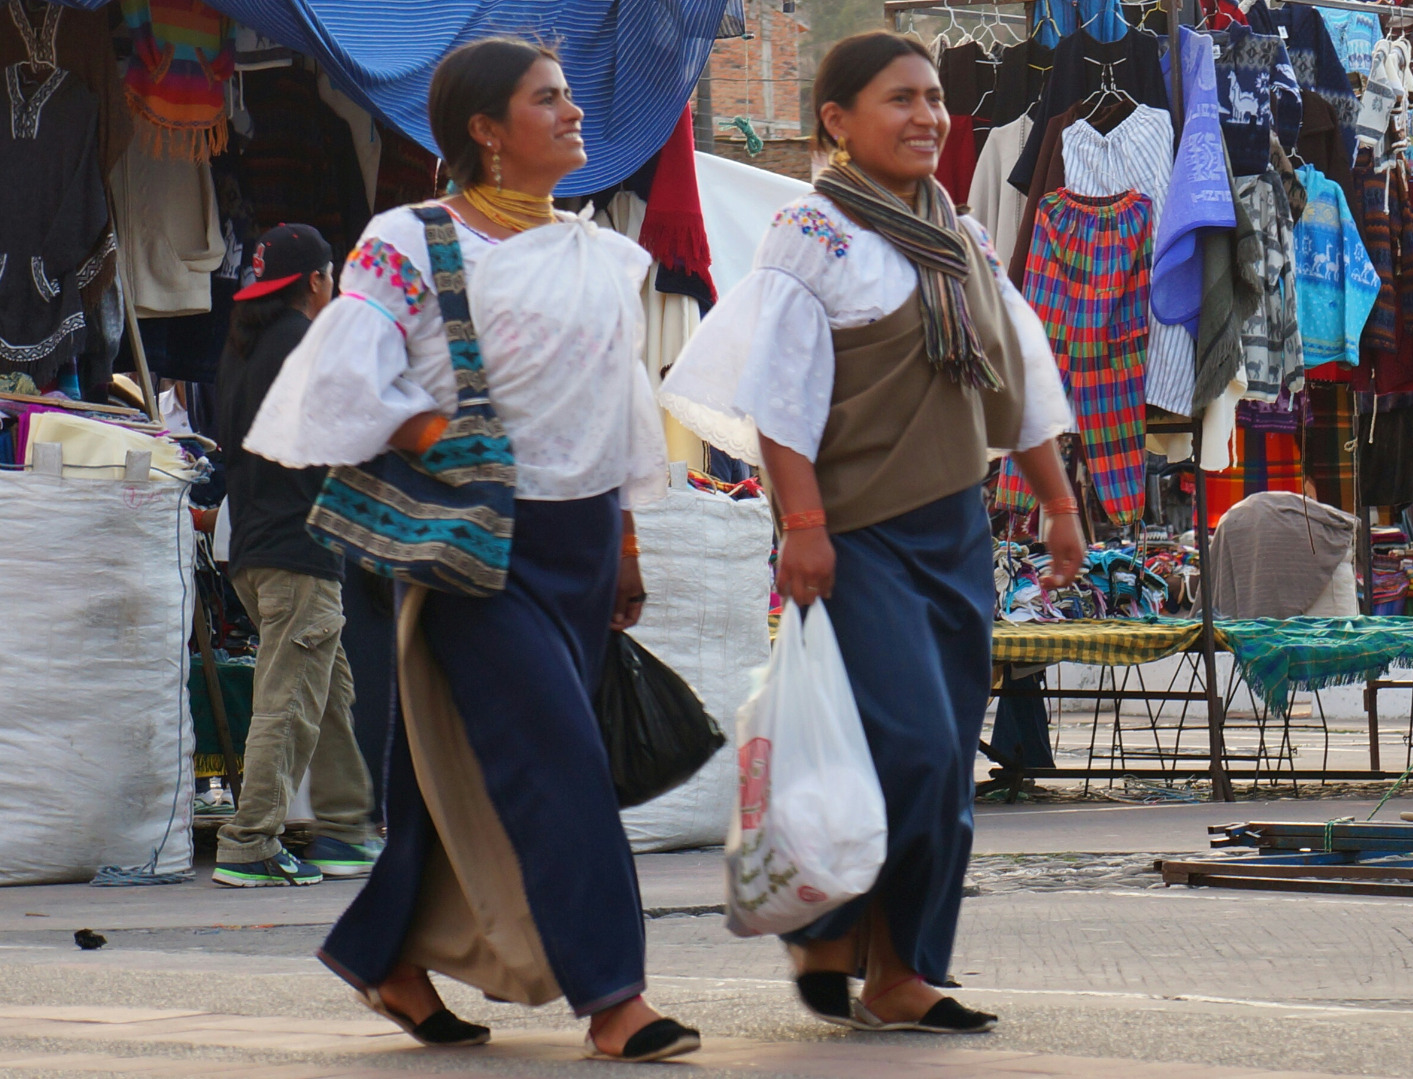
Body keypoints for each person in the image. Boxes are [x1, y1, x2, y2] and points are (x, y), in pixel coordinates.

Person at [241, 38, 697, 1063]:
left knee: (480, 768)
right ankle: (616, 999)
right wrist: (438, 436)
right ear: (486, 130)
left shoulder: (598, 252)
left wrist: (625, 535)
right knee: (561, 763)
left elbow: (621, 398)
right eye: (550, 100)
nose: (575, 114)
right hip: (473, 543)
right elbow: (348, 375)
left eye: (570, 97)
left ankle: (386, 953)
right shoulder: (411, 238)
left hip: (578, 544)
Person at [662, 31, 1085, 1034]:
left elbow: (1017, 373)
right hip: (856, 536)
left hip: (954, 534)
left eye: (934, 97)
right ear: (836, 122)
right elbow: (781, 399)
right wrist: (801, 526)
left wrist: (1058, 503)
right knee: (910, 742)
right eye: (901, 98)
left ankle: (900, 968)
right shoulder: (813, 233)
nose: (928, 116)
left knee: (947, 757)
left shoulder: (964, 237)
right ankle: (833, 926)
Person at [209, 223, 379, 888]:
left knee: (329, 690)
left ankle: (343, 828)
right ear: (316, 280)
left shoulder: (242, 349)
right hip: (300, 549)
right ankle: (250, 840)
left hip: (253, 547)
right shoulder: (307, 344)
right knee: (289, 699)